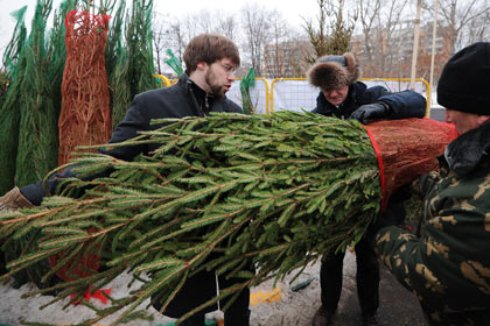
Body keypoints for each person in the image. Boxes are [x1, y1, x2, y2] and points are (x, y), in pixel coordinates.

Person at [0, 33, 250, 326]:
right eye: (227, 67)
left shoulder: (235, 114)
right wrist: (33, 193)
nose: (233, 76)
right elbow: (107, 161)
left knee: (237, 310)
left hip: (234, 234)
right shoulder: (153, 105)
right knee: (189, 315)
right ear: (200, 64)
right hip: (182, 237)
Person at [373, 42, 490, 326]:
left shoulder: (481, 212)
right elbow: (460, 186)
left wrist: (380, 231)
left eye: (452, 108)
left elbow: (428, 273)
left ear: (482, 114)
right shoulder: (480, 156)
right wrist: (416, 179)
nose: (446, 117)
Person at [307, 52, 427, 326]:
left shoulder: (371, 96)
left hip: (375, 201)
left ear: (349, 80)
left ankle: (369, 312)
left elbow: (417, 101)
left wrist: (383, 108)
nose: (333, 94)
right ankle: (328, 308)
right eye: (327, 89)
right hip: (335, 204)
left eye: (338, 86)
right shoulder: (317, 117)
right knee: (331, 258)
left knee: (369, 259)